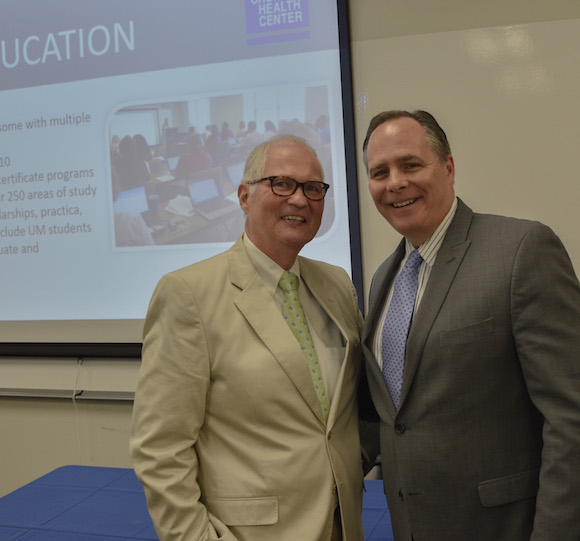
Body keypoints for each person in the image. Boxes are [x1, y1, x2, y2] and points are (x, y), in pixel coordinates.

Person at [131, 134, 371, 541]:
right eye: (281, 183)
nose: (299, 199)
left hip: (342, 525)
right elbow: (160, 449)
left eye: (313, 188)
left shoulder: (337, 286)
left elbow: (350, 410)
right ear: (244, 196)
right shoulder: (188, 294)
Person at [360, 109, 580, 541]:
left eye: (410, 164)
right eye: (379, 172)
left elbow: (570, 415)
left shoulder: (521, 250)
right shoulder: (383, 278)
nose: (395, 183)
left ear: (448, 167)